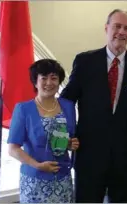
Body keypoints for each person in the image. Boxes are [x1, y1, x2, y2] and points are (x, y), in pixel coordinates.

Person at [60, 9, 127, 203]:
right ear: (106, 28)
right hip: (89, 154)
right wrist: (66, 136)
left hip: (124, 157)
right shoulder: (85, 61)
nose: (121, 32)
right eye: (117, 26)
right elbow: (67, 100)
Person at [7, 59, 79, 203]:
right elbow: (13, 148)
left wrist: (70, 144)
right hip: (34, 180)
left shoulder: (69, 106)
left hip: (62, 179)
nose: (49, 83)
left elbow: (67, 138)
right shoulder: (23, 109)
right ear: (35, 82)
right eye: (43, 78)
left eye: (54, 78)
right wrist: (37, 165)